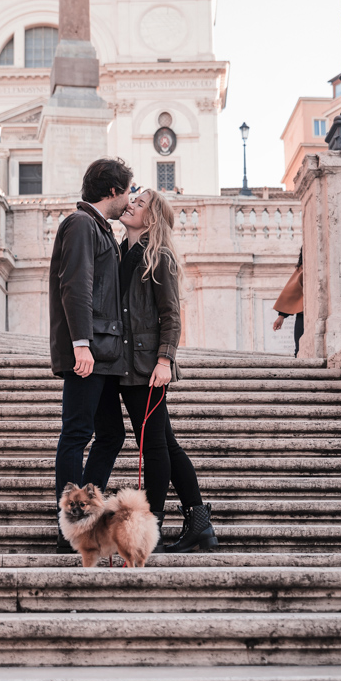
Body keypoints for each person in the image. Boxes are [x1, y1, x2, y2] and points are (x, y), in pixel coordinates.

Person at [117, 187, 218, 553]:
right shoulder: (122, 252)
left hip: (147, 366)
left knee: (154, 446)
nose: (131, 205)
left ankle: (152, 530)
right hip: (128, 365)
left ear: (152, 218)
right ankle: (200, 526)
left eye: (139, 203)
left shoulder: (156, 255)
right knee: (166, 445)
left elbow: (171, 315)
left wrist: (164, 360)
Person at [49, 157, 133, 552]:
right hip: (90, 348)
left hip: (103, 348)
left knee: (111, 433)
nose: (129, 198)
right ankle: (71, 521)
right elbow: (75, 285)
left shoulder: (101, 229)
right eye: (128, 190)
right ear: (113, 191)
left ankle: (86, 513)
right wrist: (80, 342)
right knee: (77, 433)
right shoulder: (82, 224)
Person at [272, 249, 303, 355]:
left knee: (300, 349)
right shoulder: (302, 269)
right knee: (300, 350)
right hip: (304, 316)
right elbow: (293, 291)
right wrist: (281, 316)